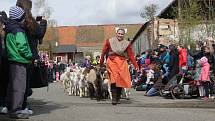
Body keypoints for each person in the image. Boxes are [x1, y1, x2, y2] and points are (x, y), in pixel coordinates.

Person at [16, 0, 47, 114]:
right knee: (25, 82)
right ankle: (22, 106)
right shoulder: (29, 21)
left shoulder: (14, 20)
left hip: (14, 55)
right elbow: (39, 33)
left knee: (15, 82)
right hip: (28, 56)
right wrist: (43, 22)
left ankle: (11, 104)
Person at [5, 6, 32, 119]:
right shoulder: (18, 31)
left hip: (12, 60)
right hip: (20, 61)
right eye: (22, 17)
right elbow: (22, 46)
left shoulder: (9, 28)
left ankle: (12, 107)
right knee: (19, 87)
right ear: (18, 18)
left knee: (13, 86)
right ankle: (16, 110)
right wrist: (29, 56)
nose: (24, 20)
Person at [100, 28, 138, 105]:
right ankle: (114, 98)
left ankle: (118, 97)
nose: (120, 35)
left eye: (122, 34)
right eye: (119, 33)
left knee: (120, 80)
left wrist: (135, 64)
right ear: (116, 33)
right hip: (112, 61)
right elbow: (104, 52)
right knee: (114, 79)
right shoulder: (109, 41)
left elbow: (130, 54)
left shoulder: (126, 43)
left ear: (124, 35)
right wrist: (101, 62)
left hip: (122, 62)